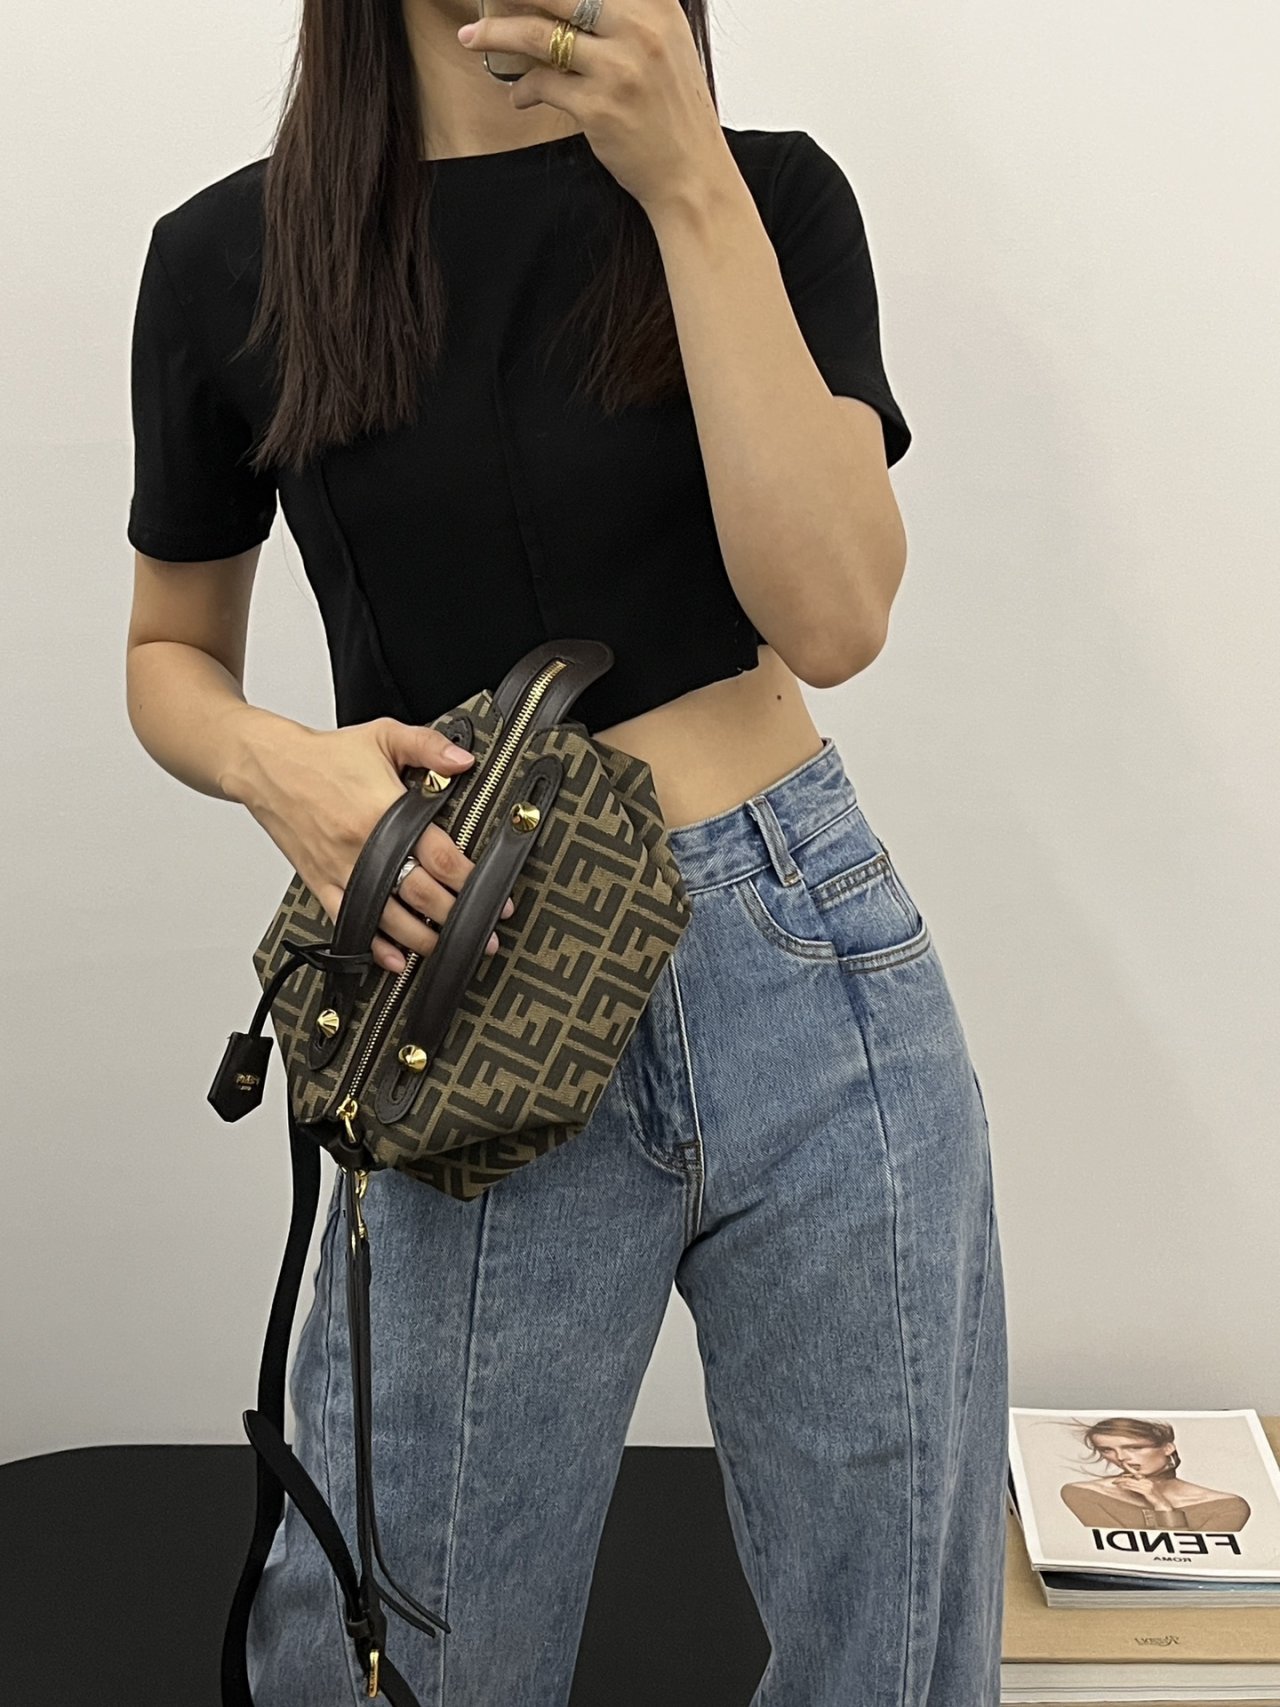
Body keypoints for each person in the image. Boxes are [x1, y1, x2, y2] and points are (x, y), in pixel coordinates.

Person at [124, 1, 1009, 1701]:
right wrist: (278, 769)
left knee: (895, 1649)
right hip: (468, 978)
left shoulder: (765, 197)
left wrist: (684, 181)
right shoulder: (233, 259)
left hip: (807, 958)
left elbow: (834, 617)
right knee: (408, 1651)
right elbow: (170, 653)